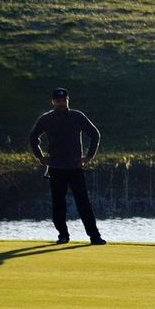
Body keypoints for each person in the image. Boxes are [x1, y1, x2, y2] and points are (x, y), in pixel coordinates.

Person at [29, 87, 106, 245]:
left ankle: (94, 236)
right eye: (58, 101)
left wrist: (89, 156)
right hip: (56, 168)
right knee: (58, 203)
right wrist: (40, 157)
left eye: (63, 100)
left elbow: (94, 134)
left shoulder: (77, 116)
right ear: (53, 102)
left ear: (67, 100)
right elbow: (33, 137)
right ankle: (63, 235)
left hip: (75, 167)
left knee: (83, 203)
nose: (61, 103)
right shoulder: (46, 119)